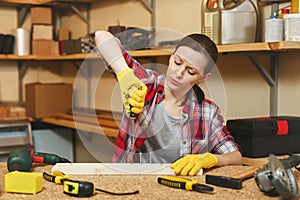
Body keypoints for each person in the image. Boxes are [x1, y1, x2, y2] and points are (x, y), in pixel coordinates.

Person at [95, 30, 242, 176]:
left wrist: (211, 159)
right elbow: (101, 36)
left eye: (190, 71)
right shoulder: (144, 84)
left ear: (202, 78)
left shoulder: (207, 113)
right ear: (171, 57)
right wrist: (124, 74)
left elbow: (236, 157)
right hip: (131, 180)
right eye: (177, 62)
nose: (179, 73)